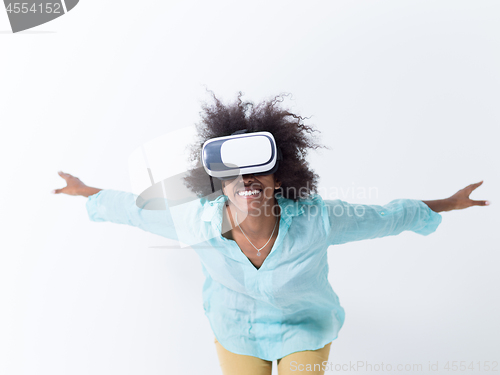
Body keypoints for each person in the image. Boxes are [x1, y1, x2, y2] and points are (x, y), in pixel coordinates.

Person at [52, 92, 489, 375]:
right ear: (218, 184)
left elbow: (387, 216)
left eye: (258, 171)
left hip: (306, 327)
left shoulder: (318, 219)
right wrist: (84, 190)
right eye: (233, 175)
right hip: (236, 329)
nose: (246, 182)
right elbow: (131, 209)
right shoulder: (192, 221)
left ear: (280, 177)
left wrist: (449, 202)